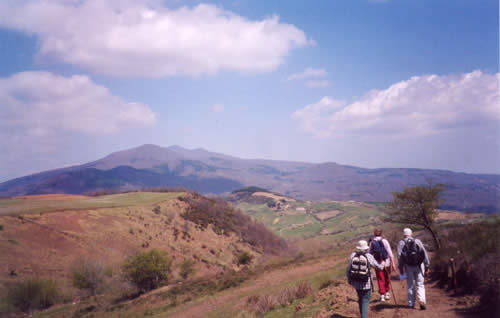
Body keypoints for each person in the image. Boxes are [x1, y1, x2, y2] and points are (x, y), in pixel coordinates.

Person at [346, 240, 384, 318]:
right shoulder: (368, 256)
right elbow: (378, 267)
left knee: (360, 299)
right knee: (365, 301)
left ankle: (362, 315)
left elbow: (348, 269)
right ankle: (364, 316)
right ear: (366, 248)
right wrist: (383, 264)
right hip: (367, 283)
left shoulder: (353, 255)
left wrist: (349, 279)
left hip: (356, 282)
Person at [397, 228, 430, 310]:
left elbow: (399, 257)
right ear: (411, 234)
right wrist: (427, 265)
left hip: (408, 266)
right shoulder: (417, 241)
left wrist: (401, 268)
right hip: (419, 265)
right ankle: (422, 301)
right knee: (420, 284)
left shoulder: (401, 243)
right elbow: (424, 253)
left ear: (403, 234)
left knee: (410, 285)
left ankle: (411, 304)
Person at [369, 228, 396, 302]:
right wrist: (393, 263)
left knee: (380, 279)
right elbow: (390, 253)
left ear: (374, 233)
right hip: (387, 262)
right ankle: (387, 293)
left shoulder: (372, 242)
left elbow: (370, 254)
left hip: (378, 264)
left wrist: (371, 263)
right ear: (381, 233)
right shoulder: (385, 241)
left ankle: (382, 295)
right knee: (387, 277)